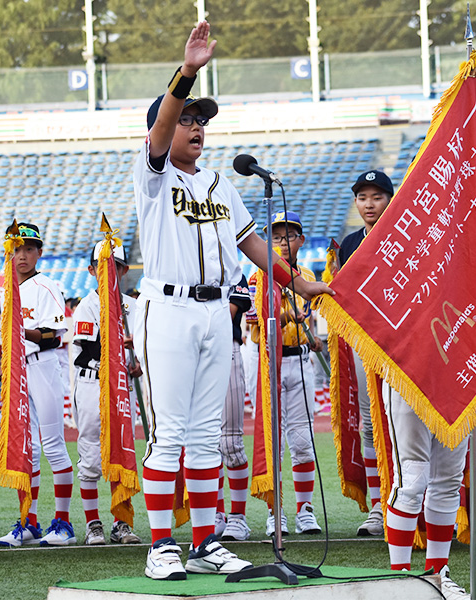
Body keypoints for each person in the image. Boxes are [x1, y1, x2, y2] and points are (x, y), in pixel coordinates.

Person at [133, 20, 331, 581]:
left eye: (202, 122)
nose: (197, 127)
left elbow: (251, 244)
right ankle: (161, 546)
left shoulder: (222, 182)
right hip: (167, 309)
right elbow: (160, 129)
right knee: (169, 432)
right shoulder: (151, 176)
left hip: (216, 310)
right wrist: (188, 71)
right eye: (188, 120)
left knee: (204, 434)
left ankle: (204, 543)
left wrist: (299, 283)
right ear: (164, 128)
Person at [0, 223, 76, 547]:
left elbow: (54, 335)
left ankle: (64, 524)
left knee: (54, 444)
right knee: (26, 448)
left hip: (43, 366)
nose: (23, 255)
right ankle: (28, 522)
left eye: (29, 248)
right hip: (18, 370)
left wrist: (22, 332)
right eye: (17, 249)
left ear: (39, 252)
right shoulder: (9, 289)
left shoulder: (46, 285)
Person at [247, 212, 323, 537]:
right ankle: (275, 513)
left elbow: (315, 315)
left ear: (301, 240)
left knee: (303, 441)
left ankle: (304, 510)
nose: (281, 241)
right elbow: (254, 317)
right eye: (275, 236)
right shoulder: (257, 275)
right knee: (272, 441)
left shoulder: (306, 275)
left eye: (289, 235)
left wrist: (313, 335)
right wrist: (285, 312)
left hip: (300, 359)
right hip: (268, 362)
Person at [71, 241, 142, 546]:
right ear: (91, 271)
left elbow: (147, 345)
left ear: (125, 271)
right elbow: (85, 351)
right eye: (103, 267)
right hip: (92, 382)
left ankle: (121, 523)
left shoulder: (133, 306)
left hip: (122, 386)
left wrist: (138, 357)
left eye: (116, 267)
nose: (110, 273)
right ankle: (93, 523)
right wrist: (117, 344)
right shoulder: (86, 305)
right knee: (90, 454)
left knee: (122, 450)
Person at [338, 169, 394, 537]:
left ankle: (413, 502)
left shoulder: (406, 233)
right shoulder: (349, 243)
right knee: (371, 421)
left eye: (376, 197)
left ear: (390, 198)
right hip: (364, 341)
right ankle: (378, 506)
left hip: (403, 342)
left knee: (410, 422)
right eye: (363, 198)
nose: (369, 204)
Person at [215, 274, 253, 541]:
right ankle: (215, 514)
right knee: (204, 444)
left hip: (226, 348)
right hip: (193, 352)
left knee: (230, 443)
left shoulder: (233, 270)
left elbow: (228, 314)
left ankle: (238, 517)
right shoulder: (186, 266)